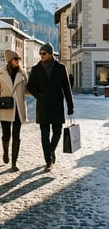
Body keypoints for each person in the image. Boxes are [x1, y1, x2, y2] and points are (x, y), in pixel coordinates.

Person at [27, 42, 75, 173]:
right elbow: (30, 86)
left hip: (57, 105)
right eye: (40, 53)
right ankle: (48, 161)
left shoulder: (60, 68)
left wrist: (70, 106)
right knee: (44, 134)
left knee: (58, 132)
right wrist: (39, 95)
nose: (41, 55)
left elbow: (66, 88)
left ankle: (51, 150)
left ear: (50, 54)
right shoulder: (36, 69)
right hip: (42, 106)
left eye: (44, 53)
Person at [0, 49, 28, 172]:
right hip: (5, 107)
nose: (18, 61)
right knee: (6, 135)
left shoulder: (23, 73)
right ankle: (5, 152)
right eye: (16, 59)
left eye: (19, 59)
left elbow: (27, 90)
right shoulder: (0, 73)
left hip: (18, 108)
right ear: (10, 60)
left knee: (16, 136)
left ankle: (14, 162)